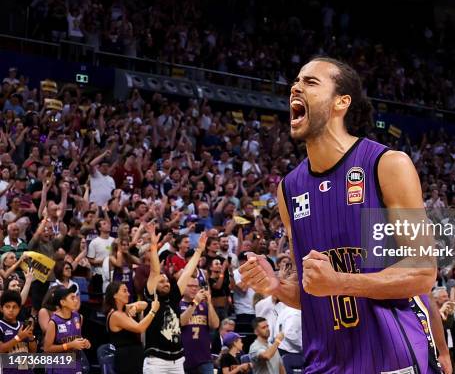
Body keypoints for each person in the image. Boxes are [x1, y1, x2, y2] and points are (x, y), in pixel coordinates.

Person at [239, 57, 439, 373]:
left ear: (341, 102)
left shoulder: (386, 166)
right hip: (323, 363)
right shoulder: (289, 189)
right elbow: (310, 293)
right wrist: (275, 285)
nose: (295, 87)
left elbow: (423, 272)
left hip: (389, 359)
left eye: (310, 82)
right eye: (295, 81)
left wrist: (341, 282)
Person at [142, 224, 207, 374]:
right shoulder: (152, 297)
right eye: (161, 281)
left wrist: (198, 251)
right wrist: (153, 246)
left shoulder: (173, 297)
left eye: (166, 281)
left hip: (178, 360)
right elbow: (154, 271)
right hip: (156, 361)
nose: (166, 283)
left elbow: (187, 273)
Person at [104, 282, 160, 374]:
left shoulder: (123, 309)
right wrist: (153, 311)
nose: (128, 294)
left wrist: (134, 306)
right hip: (126, 359)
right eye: (125, 291)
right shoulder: (115, 315)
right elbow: (140, 328)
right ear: (114, 295)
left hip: (133, 357)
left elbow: (144, 304)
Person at [43, 286, 92, 374]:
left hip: (76, 362)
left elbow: (78, 337)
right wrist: (69, 345)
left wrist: (84, 343)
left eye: (76, 297)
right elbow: (47, 348)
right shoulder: (54, 322)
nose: (76, 300)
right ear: (63, 302)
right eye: (72, 298)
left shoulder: (78, 317)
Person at [179, 277, 220, 374]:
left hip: (204, 358)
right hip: (183, 358)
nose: (194, 289)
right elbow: (181, 322)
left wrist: (209, 303)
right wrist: (194, 303)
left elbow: (215, 324)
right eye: (190, 286)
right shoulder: (178, 304)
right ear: (183, 287)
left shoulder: (204, 306)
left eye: (196, 286)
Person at [0, 291, 37, 374]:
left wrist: (31, 337)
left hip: (27, 370)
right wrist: (19, 337)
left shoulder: (23, 325)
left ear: (19, 309)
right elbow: (1, 349)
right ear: (1, 308)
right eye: (7, 306)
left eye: (14, 307)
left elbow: (33, 351)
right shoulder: (0, 326)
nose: (11, 310)